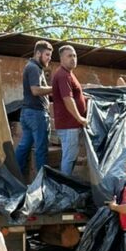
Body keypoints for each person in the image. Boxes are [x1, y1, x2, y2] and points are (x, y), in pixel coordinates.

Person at [15, 40, 53, 179]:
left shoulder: (35, 67)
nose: (49, 58)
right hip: (36, 114)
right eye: (47, 55)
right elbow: (36, 90)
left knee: (24, 146)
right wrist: (55, 89)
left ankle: (15, 177)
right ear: (38, 53)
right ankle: (42, 182)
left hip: (28, 113)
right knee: (41, 149)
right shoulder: (33, 68)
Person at [51, 44, 88, 176]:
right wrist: (80, 118)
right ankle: (64, 186)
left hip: (71, 125)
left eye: (74, 56)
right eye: (69, 56)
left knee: (71, 156)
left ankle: (66, 184)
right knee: (69, 157)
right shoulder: (63, 75)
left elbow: (75, 95)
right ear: (61, 58)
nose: (73, 58)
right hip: (69, 125)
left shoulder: (69, 74)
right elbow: (68, 99)